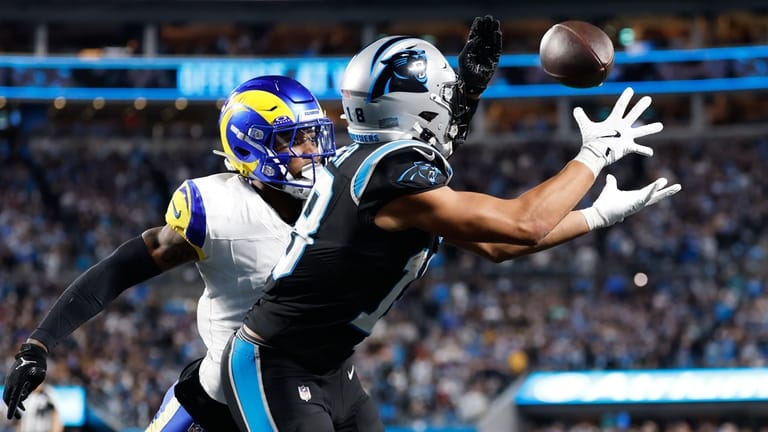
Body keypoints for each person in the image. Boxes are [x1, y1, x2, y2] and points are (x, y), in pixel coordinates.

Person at [221, 16, 681, 432]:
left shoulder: (376, 164)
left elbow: (497, 247)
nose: (453, 106)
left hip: (329, 365)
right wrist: (594, 155)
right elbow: (524, 224)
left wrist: (596, 214)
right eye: (447, 97)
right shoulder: (390, 174)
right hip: (277, 363)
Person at [2, 75, 337, 432]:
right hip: (220, 401)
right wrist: (38, 344)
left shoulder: (339, 204)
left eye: (311, 135)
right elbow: (119, 269)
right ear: (247, 147)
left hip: (310, 393)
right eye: (293, 139)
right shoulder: (218, 210)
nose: (310, 150)